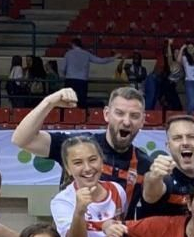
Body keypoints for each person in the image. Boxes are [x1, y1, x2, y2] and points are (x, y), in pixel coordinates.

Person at [10, 85, 150, 202]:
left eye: (134, 116)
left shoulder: (146, 165)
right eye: (119, 113)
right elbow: (22, 139)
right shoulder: (76, 145)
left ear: (143, 120)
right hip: (72, 233)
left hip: (117, 234)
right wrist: (49, 102)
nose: (126, 121)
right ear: (106, 114)